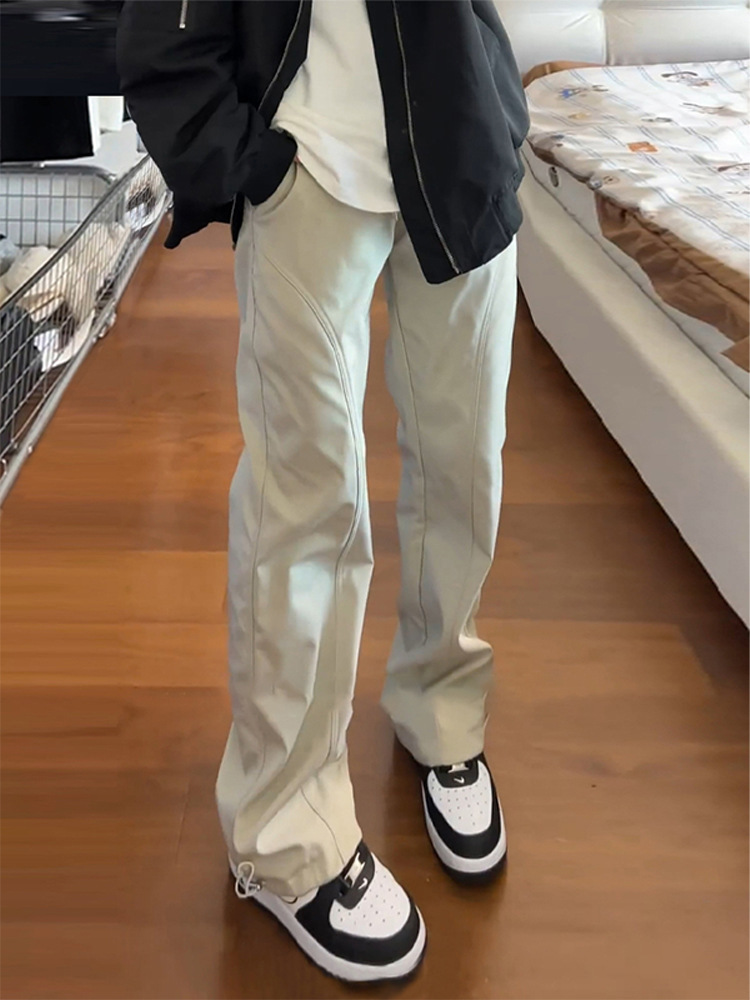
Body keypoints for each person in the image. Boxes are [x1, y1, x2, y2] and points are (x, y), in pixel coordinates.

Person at [117, 0, 528, 984]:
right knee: (306, 504)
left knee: (466, 460)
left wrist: (502, 112)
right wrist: (234, 155)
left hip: (461, 143)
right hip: (306, 164)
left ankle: (442, 710)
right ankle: (285, 832)